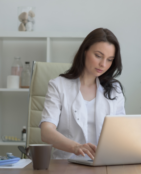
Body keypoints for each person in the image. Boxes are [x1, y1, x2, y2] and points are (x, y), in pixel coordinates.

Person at [39, 28, 126, 160]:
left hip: (103, 165)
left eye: (109, 59)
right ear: (85, 51)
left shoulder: (114, 89)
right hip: (67, 165)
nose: (103, 64)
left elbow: (122, 132)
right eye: (98, 55)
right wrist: (75, 147)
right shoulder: (58, 85)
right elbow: (46, 132)